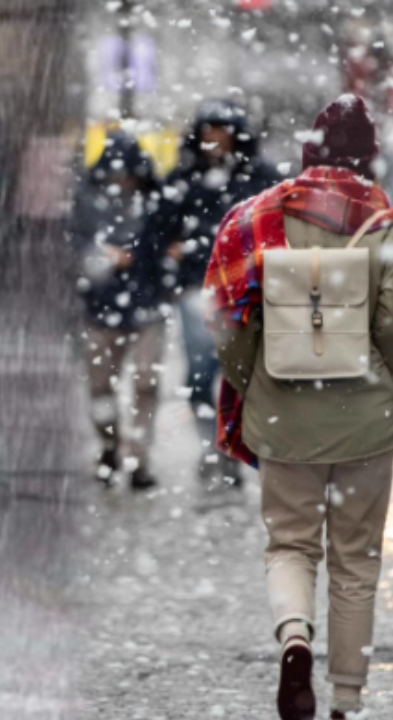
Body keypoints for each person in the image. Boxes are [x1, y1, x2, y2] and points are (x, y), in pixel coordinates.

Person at [205, 94, 393, 720]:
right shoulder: (385, 224)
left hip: (283, 414)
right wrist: (392, 389)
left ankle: (295, 638)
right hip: (366, 422)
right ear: (370, 157)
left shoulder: (254, 218)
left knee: (290, 546)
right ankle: (346, 702)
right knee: (356, 564)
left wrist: (258, 382)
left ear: (309, 151)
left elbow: (228, 322)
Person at [147, 98, 282, 488]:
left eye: (222, 132)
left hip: (245, 292)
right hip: (198, 292)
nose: (215, 140)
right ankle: (214, 446)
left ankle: (230, 446)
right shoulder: (184, 179)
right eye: (209, 132)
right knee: (202, 372)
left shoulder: (258, 179)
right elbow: (158, 231)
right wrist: (173, 267)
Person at [69, 131, 165, 490]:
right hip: (100, 306)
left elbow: (164, 242)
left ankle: (138, 458)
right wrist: (98, 257)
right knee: (99, 386)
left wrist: (139, 259)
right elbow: (73, 244)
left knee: (146, 383)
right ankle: (109, 446)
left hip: (146, 307)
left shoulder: (153, 198)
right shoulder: (86, 199)